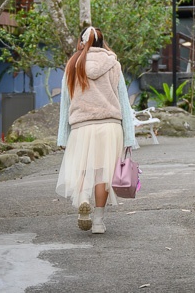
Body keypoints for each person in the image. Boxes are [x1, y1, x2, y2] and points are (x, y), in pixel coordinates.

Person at [56, 26, 136, 234]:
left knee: (82, 168)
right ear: (102, 43)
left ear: (81, 43)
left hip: (81, 127)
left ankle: (83, 200)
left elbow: (65, 103)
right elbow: (124, 103)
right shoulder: (113, 64)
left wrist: (62, 137)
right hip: (110, 127)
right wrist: (130, 136)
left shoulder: (72, 65)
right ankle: (99, 222)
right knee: (102, 174)